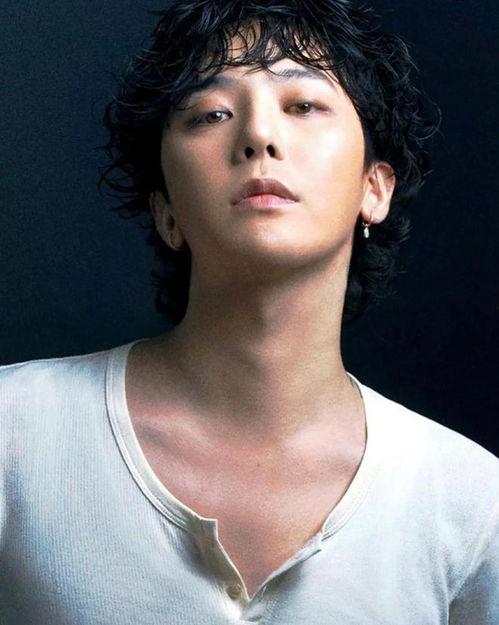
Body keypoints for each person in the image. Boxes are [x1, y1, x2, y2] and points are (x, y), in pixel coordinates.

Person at [1, 1, 497, 623]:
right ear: (166, 213)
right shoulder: (14, 434)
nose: (259, 136)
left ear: (375, 188)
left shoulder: (471, 500)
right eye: (212, 113)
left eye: (304, 105)